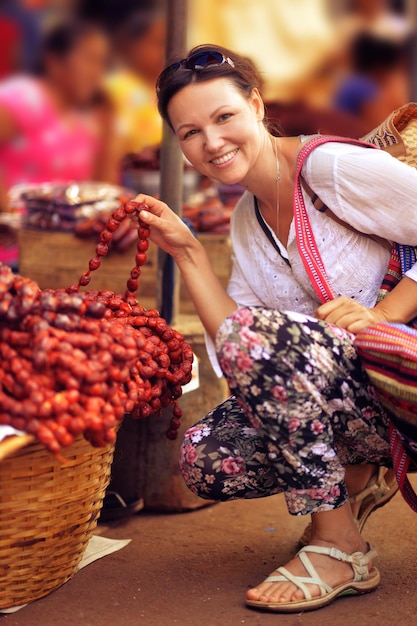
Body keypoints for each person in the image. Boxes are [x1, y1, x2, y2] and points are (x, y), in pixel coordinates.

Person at [133, 44, 417, 613]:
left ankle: (340, 543)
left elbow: (249, 337)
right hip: (360, 393)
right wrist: (188, 253)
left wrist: (387, 313)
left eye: (223, 117)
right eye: (189, 132)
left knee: (257, 339)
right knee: (207, 456)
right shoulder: (245, 220)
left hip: (403, 374)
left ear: (256, 105)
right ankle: (359, 471)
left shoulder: (329, 169)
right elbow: (236, 345)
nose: (210, 143)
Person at [0, 17, 116, 266]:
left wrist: (109, 133)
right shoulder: (23, 98)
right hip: (12, 253)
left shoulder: (87, 117)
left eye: (101, 63)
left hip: (61, 255)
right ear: (54, 62)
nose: (97, 72)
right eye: (88, 59)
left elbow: (102, 188)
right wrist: (8, 214)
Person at [105, 5, 165, 156]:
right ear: (134, 45)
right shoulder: (115, 88)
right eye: (158, 43)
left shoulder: (171, 87)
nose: (165, 51)